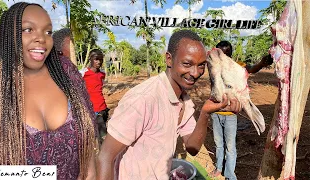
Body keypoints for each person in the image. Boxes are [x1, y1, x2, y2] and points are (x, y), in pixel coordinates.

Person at [96, 30, 242, 180]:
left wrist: (205, 113)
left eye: (201, 65)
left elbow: (192, 148)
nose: (195, 72)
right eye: (187, 63)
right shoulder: (144, 99)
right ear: (169, 59)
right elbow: (105, 157)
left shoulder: (184, 100)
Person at [0, 3, 97, 180]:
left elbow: (88, 150)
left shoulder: (66, 72)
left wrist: (90, 171)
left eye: (48, 32)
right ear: (9, 34)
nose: (41, 38)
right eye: (28, 29)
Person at [209, 40, 273, 180]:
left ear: (229, 55)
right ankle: (219, 168)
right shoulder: (214, 66)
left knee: (230, 146)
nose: (221, 57)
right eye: (218, 53)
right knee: (219, 144)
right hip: (216, 113)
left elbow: (251, 68)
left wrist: (262, 63)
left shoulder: (237, 67)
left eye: (224, 54)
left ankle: (230, 175)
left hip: (231, 114)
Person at [80, 49, 109, 142]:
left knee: (100, 135)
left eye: (100, 59)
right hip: (92, 110)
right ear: (90, 59)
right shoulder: (82, 73)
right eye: (96, 59)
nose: (99, 62)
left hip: (103, 108)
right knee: (103, 137)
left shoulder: (102, 74)